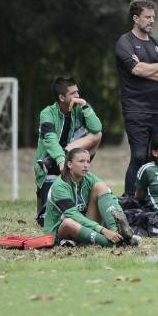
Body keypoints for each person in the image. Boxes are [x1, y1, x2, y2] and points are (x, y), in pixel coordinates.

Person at [114, 0, 158, 195]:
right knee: (139, 155)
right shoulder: (125, 42)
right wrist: (157, 66)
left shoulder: (157, 44)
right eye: (147, 17)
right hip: (135, 108)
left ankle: (153, 201)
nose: (151, 21)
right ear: (135, 18)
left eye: (153, 17)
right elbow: (136, 69)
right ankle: (129, 201)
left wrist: (151, 68)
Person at [33, 77, 104, 225]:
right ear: (62, 97)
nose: (77, 96)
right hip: (52, 166)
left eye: (78, 92)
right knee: (46, 218)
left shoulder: (80, 107)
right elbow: (50, 140)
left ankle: (65, 162)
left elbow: (97, 128)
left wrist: (85, 105)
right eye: (73, 93)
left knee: (97, 135)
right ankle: (54, 165)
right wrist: (60, 160)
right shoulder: (47, 113)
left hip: (65, 161)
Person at [44, 148, 140, 247]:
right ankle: (114, 243)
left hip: (85, 225)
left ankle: (117, 233)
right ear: (69, 164)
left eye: (88, 161)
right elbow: (73, 216)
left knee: (101, 187)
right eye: (81, 161)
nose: (86, 165)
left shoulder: (89, 178)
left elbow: (110, 198)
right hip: (60, 231)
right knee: (68, 223)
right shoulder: (60, 186)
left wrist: (120, 218)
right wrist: (103, 230)